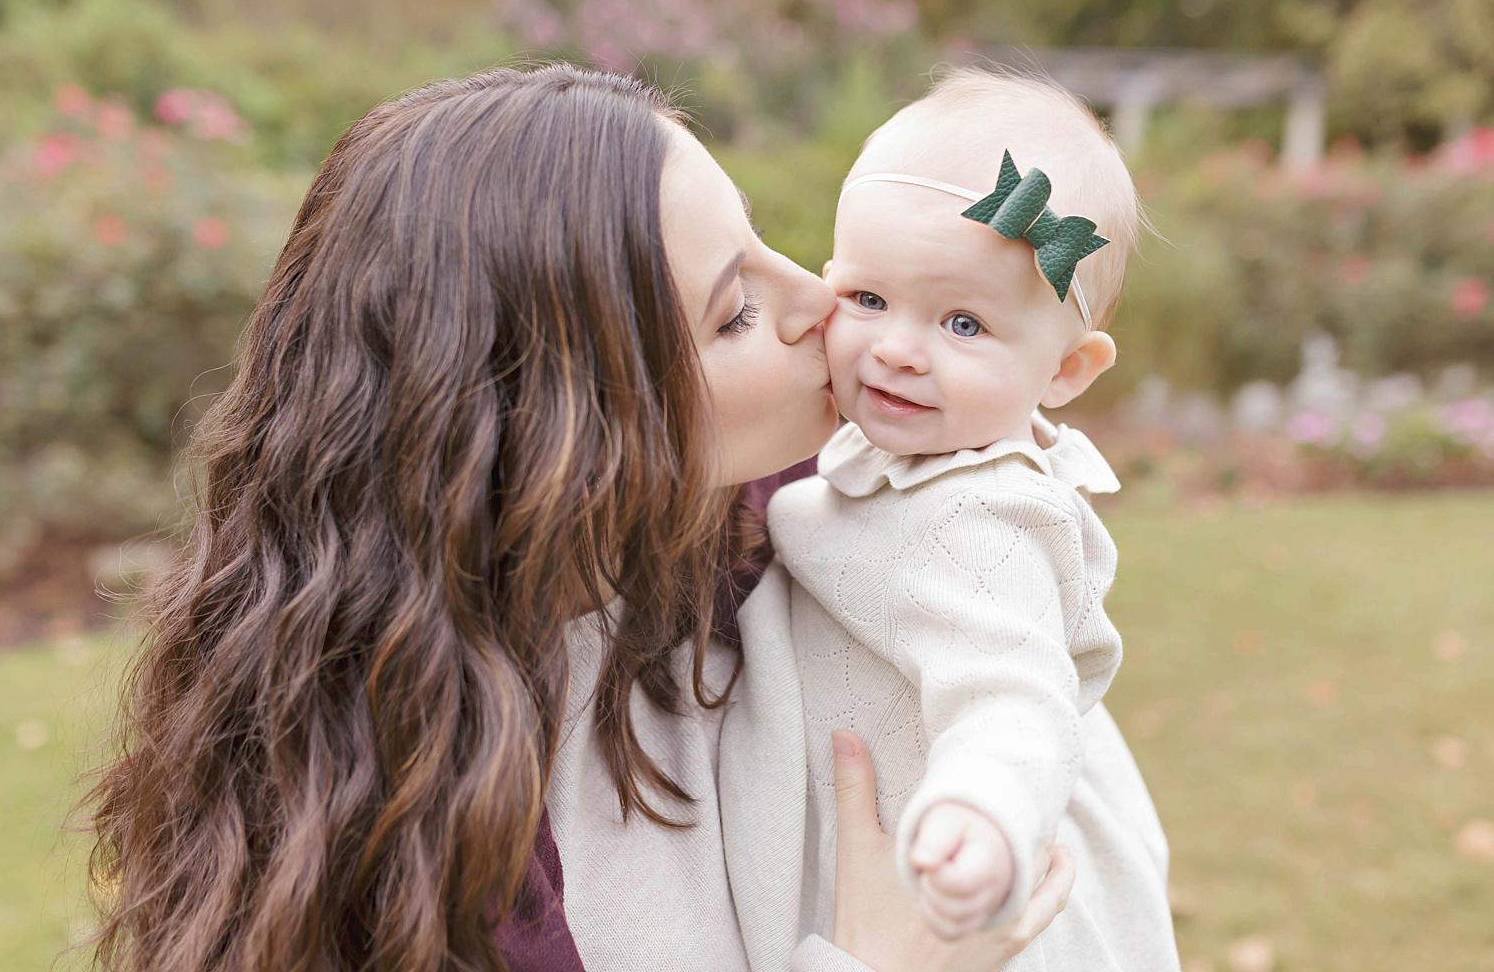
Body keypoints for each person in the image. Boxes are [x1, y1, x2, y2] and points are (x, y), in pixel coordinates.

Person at [81, 64, 1074, 972]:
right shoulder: (404, 851)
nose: (820, 297)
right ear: (567, 421)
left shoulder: (809, 533)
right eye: (733, 312)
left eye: (762, 237)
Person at [756, 69, 1180, 969]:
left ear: (1066, 372)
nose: (899, 350)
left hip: (961, 897)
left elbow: (1013, 700)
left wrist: (982, 813)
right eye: (868, 300)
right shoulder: (901, 461)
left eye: (962, 322)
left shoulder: (980, 516)